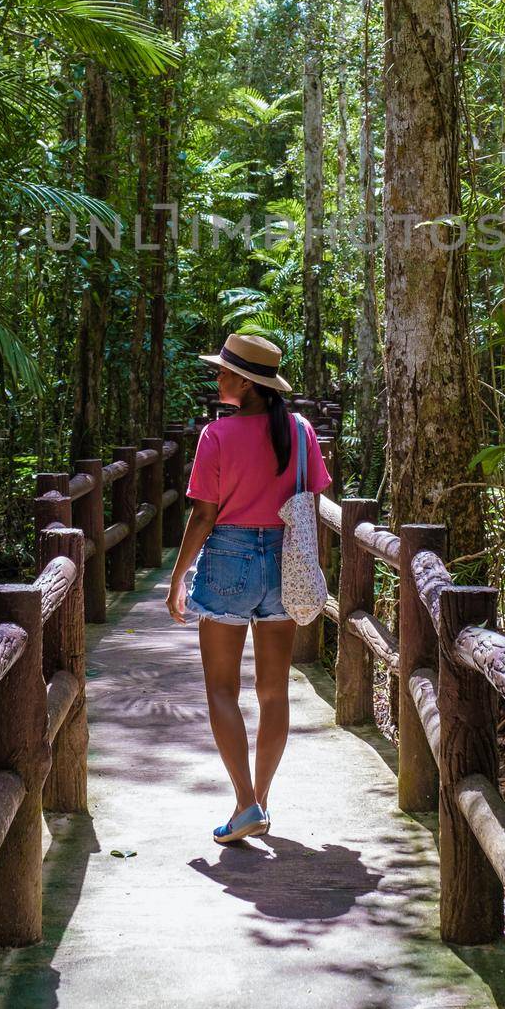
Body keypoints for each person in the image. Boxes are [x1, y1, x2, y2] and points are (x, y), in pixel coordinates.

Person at [166, 332, 332, 844]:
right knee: (273, 690)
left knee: (221, 688)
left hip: (229, 560)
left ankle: (245, 803)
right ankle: (261, 799)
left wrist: (177, 579)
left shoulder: (216, 436)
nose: (217, 377)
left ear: (245, 381)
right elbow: (314, 497)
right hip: (285, 560)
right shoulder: (301, 432)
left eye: (223, 370)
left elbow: (203, 515)